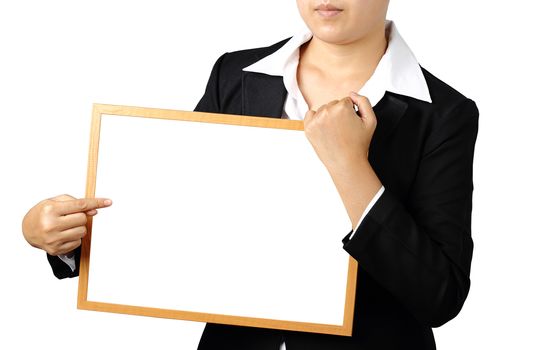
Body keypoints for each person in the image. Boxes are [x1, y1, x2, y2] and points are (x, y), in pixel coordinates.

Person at [22, 0, 479, 349]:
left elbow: (440, 295)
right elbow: (179, 213)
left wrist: (348, 164)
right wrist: (66, 238)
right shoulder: (235, 76)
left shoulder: (444, 114)